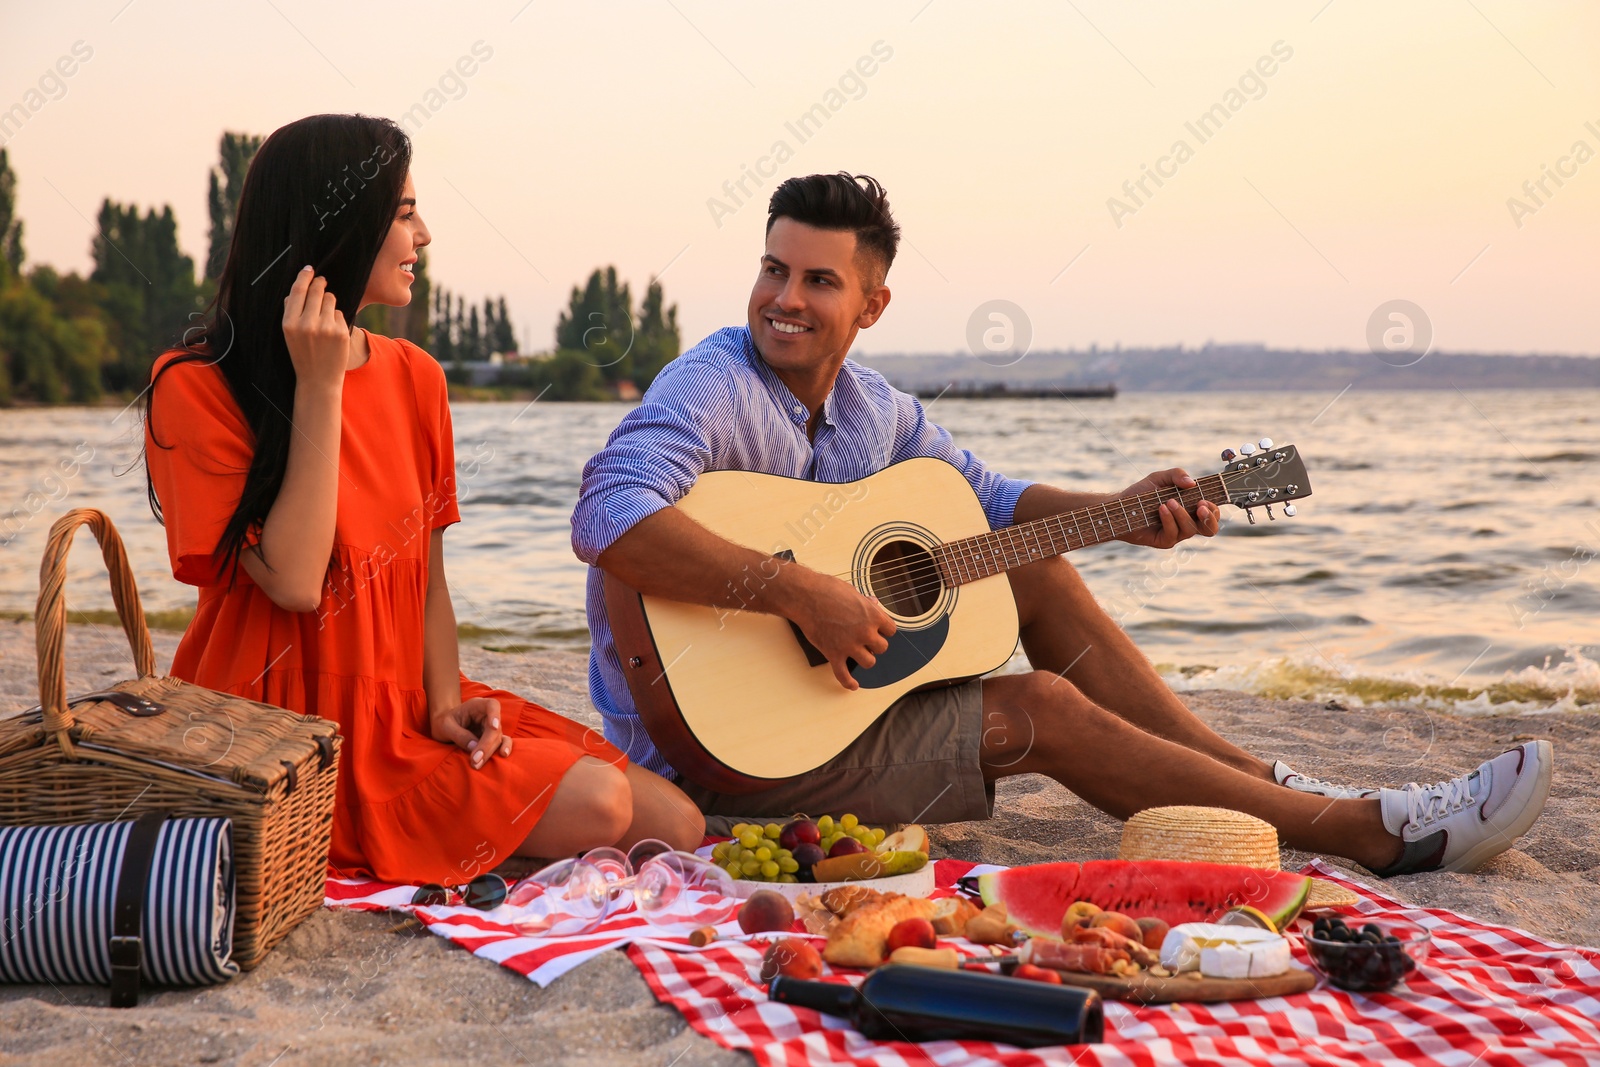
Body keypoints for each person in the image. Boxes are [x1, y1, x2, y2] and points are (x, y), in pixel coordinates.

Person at [572, 171, 1552, 877]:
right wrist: (802, 591)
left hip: (827, 711)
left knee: (1025, 570)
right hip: (723, 755)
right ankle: (1364, 828)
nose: (783, 299)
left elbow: (991, 504)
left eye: (817, 281)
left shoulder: (877, 410)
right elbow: (610, 516)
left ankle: (1254, 777)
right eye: (773, 269)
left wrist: (1126, 512)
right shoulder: (712, 381)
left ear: (870, 303)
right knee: (1039, 706)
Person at [144, 114, 703, 886]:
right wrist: (320, 384)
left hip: (404, 697)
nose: (426, 235)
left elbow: (428, 578)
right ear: (337, 224)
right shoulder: (198, 384)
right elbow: (299, 581)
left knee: (679, 821)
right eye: (404, 213)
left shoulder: (417, 376)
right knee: (603, 806)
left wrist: (443, 704)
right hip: (279, 722)